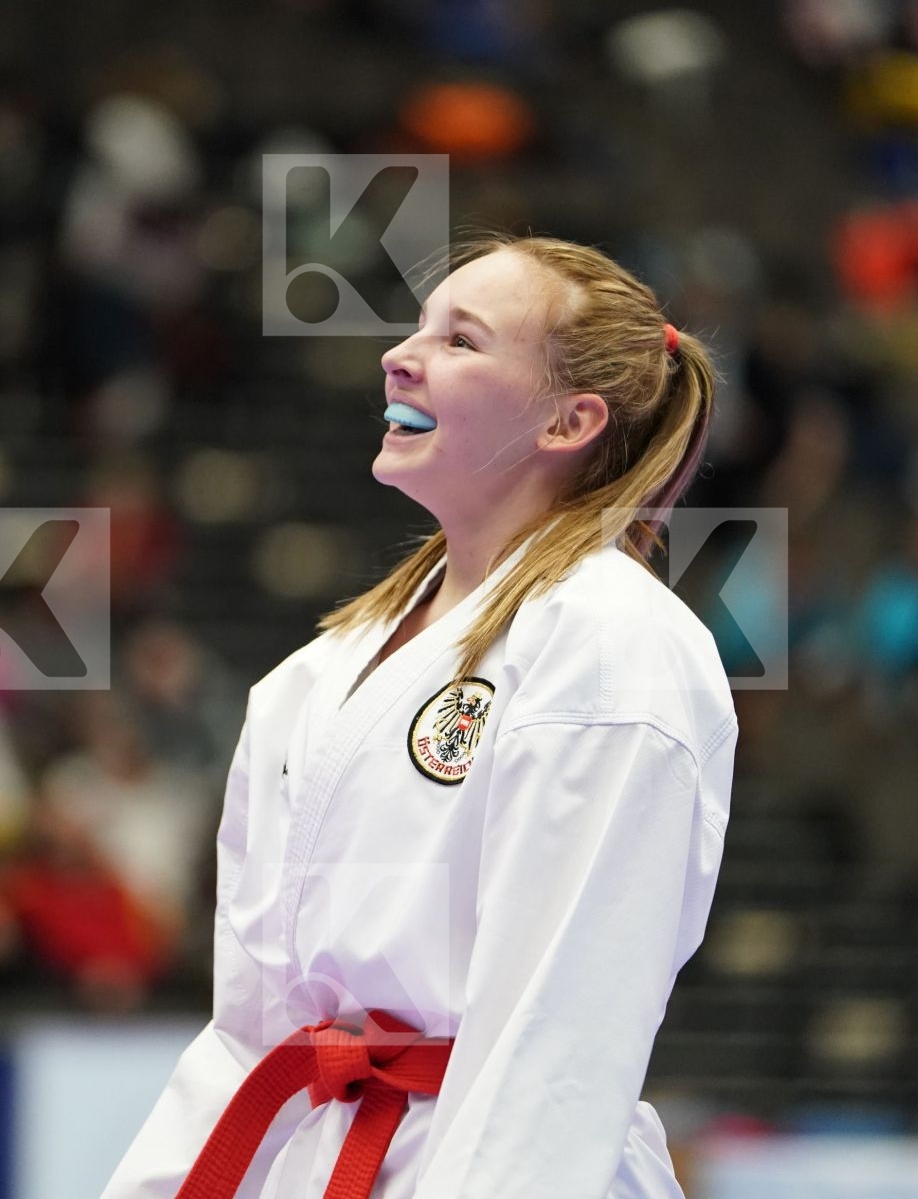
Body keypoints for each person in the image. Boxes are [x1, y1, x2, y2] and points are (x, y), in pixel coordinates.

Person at [102, 233, 737, 1198]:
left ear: (567, 421)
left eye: (462, 340)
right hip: (319, 1156)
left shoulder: (609, 643)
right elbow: (250, 1034)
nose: (400, 354)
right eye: (415, 328)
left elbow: (555, 1035)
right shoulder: (318, 676)